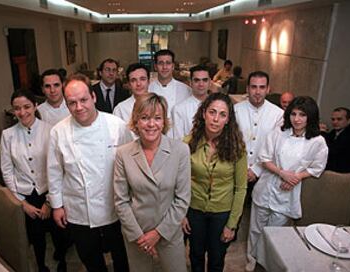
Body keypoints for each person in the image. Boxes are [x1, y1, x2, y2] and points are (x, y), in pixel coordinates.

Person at [47, 74, 132, 272]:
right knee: (91, 259)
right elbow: (54, 172)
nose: (79, 107)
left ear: (93, 97)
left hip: (115, 205)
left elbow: (130, 165)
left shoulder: (116, 125)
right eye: (72, 103)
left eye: (83, 100)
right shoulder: (58, 132)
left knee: (122, 257)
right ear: (66, 105)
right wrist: (57, 205)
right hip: (79, 209)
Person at [246, 96, 328, 271]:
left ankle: (267, 265)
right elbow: (264, 158)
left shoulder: (317, 142)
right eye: (293, 114)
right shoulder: (278, 133)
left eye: (302, 115)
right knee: (255, 229)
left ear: (310, 117)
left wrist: (296, 177)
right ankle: (251, 260)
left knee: (274, 233)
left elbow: (317, 168)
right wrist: (282, 173)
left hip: (286, 192)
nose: (296, 119)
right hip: (266, 186)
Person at [114, 93, 191, 272]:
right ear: (136, 121)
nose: (151, 124)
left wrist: (157, 233)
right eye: (145, 118)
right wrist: (139, 235)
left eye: (157, 118)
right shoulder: (123, 153)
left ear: (164, 122)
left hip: (169, 230)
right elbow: (121, 201)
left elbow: (182, 199)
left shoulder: (180, 150)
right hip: (136, 233)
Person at [0, 89, 67, 272]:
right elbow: (7, 170)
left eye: (27, 107)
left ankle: (62, 263)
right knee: (36, 237)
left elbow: (59, 168)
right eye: (17, 108)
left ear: (35, 106)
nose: (22, 112)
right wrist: (22, 203)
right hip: (26, 196)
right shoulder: (8, 135)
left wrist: (50, 201)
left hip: (50, 193)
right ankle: (41, 266)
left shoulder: (50, 130)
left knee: (59, 234)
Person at [182, 92, 247, 272]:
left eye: (222, 114)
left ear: (228, 120)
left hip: (222, 213)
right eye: (212, 112)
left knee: (217, 259)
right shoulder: (187, 144)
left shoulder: (237, 147)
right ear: (203, 114)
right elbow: (180, 184)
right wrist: (182, 214)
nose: (216, 119)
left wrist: (231, 225)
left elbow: (241, 188)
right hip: (194, 210)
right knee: (195, 255)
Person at [234, 71, 284, 188]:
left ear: (268, 89)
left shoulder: (278, 115)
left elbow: (276, 147)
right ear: (247, 89)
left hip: (264, 176)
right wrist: (242, 170)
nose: (257, 92)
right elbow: (231, 143)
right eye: (253, 87)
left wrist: (255, 170)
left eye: (262, 87)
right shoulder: (235, 110)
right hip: (235, 172)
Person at [149, 49, 191, 118]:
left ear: (173, 66)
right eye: (161, 63)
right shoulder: (148, 89)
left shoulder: (186, 90)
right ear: (155, 67)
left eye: (168, 63)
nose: (164, 67)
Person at [172, 65, 210, 140]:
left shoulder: (220, 106)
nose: (201, 84)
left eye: (205, 80)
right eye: (196, 80)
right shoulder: (179, 109)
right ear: (190, 83)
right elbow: (179, 140)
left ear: (210, 82)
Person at [323, 107, 350, 175]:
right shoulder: (333, 133)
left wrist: (323, 134)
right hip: (330, 173)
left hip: (344, 176)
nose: (335, 122)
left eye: (339, 119)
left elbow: (333, 150)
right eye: (333, 119)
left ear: (349, 121)